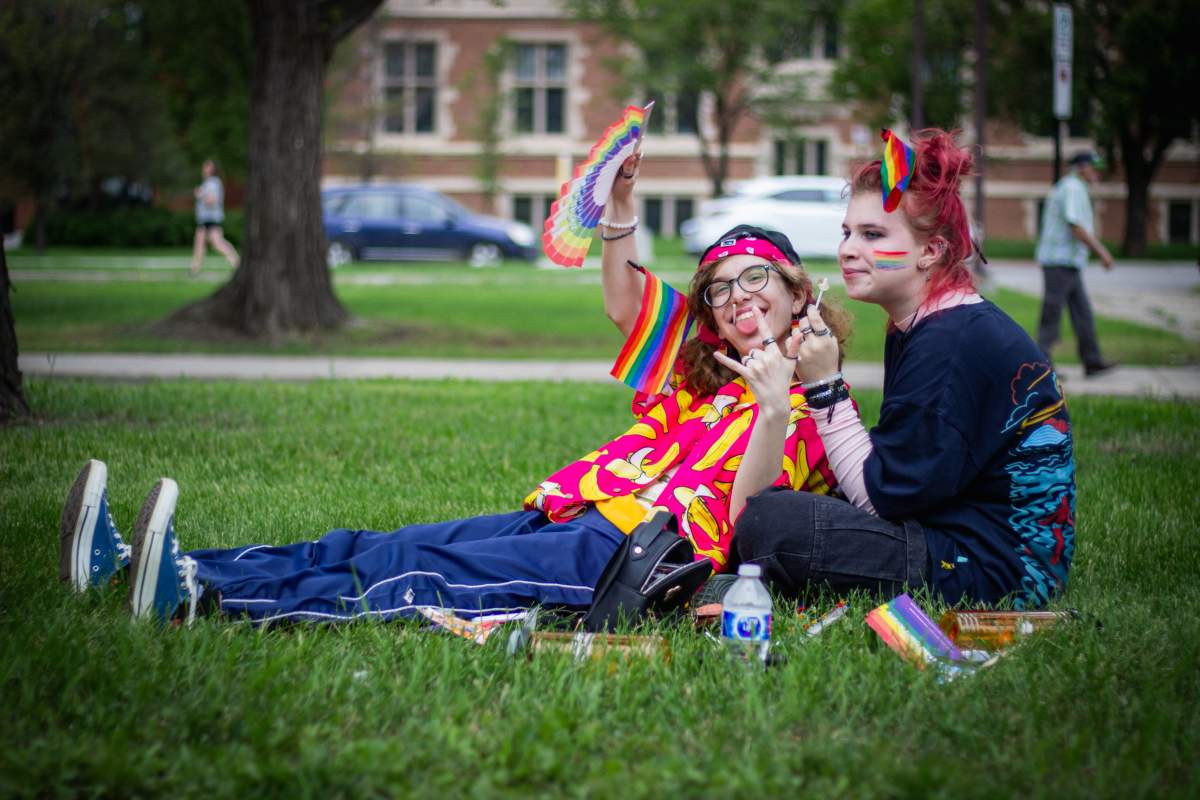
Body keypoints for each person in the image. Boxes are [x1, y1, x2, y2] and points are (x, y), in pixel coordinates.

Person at [57, 154, 853, 625]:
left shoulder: (817, 397)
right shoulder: (707, 365)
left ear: (792, 289)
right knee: (382, 546)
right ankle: (158, 567)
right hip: (576, 511)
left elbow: (750, 528)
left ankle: (197, 600)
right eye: (720, 288)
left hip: (630, 556)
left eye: (757, 280)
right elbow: (624, 300)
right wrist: (619, 205)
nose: (738, 298)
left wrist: (780, 404)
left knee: (417, 581)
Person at [732, 129, 1076, 610]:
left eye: (873, 235)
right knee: (794, 505)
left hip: (996, 571)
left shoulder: (949, 343)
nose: (849, 249)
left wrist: (824, 387)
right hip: (970, 538)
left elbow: (884, 500)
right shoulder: (930, 322)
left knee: (768, 523)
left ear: (930, 251)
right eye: (848, 232)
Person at [1035, 151, 1117, 377]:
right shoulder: (1072, 188)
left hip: (1068, 262)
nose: (1098, 172)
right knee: (1052, 314)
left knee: (1082, 313)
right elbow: (1076, 226)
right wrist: (1102, 252)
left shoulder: (1076, 187)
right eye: (1095, 167)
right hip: (1059, 261)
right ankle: (1042, 367)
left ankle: (1092, 361)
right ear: (1082, 167)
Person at [190, 159, 240, 275]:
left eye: (207, 166)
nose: (204, 168)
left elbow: (212, 200)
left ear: (213, 169)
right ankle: (194, 269)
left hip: (211, 219)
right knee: (199, 243)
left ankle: (237, 263)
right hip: (204, 219)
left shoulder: (214, 182)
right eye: (204, 166)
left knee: (218, 243)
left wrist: (199, 194)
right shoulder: (207, 182)